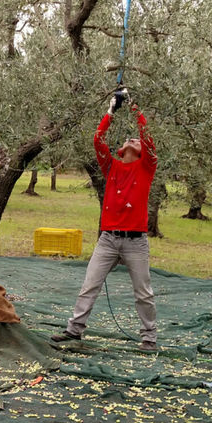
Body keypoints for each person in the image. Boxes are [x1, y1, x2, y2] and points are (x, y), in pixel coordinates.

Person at [52, 89, 158, 351]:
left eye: (136, 140)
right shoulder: (111, 167)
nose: (133, 139)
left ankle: (149, 338)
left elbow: (148, 138)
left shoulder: (146, 167)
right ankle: (74, 330)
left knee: (143, 292)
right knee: (90, 284)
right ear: (120, 150)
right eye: (128, 139)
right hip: (109, 239)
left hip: (136, 241)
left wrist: (134, 107)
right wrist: (112, 110)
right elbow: (98, 139)